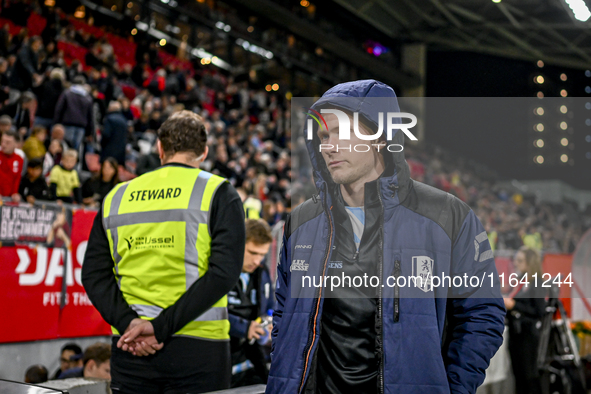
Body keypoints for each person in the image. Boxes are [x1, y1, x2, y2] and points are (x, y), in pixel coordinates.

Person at [267, 80, 505, 393]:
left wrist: (453, 388)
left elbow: (481, 314)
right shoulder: (301, 221)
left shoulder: (447, 216)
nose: (329, 146)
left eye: (340, 132)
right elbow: (284, 313)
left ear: (379, 136)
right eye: (323, 136)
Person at [82, 110, 246, 394]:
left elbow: (93, 275)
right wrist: (160, 327)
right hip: (199, 348)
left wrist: (129, 323)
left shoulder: (116, 196)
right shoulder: (219, 192)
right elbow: (224, 273)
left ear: (160, 148)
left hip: (130, 347)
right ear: (204, 152)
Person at [228, 219, 274, 387]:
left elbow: (270, 306)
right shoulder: (220, 274)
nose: (257, 260)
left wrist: (268, 323)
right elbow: (209, 312)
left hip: (253, 361)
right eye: (253, 253)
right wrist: (244, 328)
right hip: (224, 362)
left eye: (262, 254)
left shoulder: (261, 272)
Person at [504, 246, 546, 394]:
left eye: (520, 261)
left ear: (530, 263)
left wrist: (515, 305)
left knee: (529, 374)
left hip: (528, 335)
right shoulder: (519, 282)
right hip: (516, 334)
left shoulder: (538, 283)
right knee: (518, 375)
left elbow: (539, 311)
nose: (516, 264)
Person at [54, 76, 94, 150]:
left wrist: (57, 122)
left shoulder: (67, 93)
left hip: (68, 124)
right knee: (75, 150)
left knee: (65, 147)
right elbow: (90, 116)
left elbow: (59, 109)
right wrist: (89, 132)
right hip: (81, 126)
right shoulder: (87, 97)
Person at [100, 101, 127, 166]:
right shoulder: (124, 120)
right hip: (120, 152)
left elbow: (106, 134)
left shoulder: (109, 119)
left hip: (109, 150)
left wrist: (102, 144)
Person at [0, 130, 24, 201]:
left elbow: (17, 178)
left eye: (8, 143)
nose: (3, 144)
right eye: (2, 141)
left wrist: (14, 193)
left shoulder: (19, 159)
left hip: (9, 199)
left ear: (16, 144)